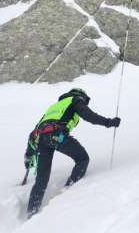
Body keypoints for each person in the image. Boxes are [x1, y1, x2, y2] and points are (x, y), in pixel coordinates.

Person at [24, 88, 121, 217]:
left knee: (41, 179)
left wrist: (29, 156)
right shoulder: (75, 100)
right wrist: (109, 122)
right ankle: (68, 191)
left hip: (42, 140)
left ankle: (31, 211)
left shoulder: (53, 107)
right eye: (85, 101)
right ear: (81, 96)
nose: (85, 103)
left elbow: (34, 133)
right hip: (57, 136)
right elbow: (89, 115)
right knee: (82, 159)